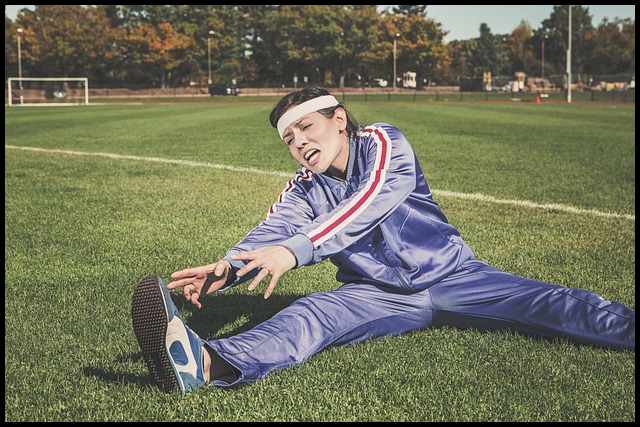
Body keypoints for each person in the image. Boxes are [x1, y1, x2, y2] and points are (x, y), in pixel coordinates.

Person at [131, 85, 635, 395]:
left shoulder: (382, 142)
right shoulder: (302, 188)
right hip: (374, 295)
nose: (300, 143)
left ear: (338, 119)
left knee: (554, 305)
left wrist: (297, 250)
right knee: (310, 314)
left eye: (306, 127)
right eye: (289, 139)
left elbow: (372, 199)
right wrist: (229, 269)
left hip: (454, 276)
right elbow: (274, 232)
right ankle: (204, 363)